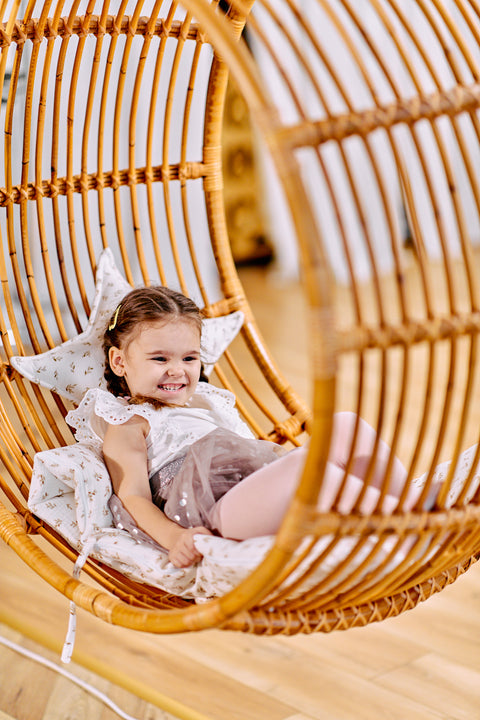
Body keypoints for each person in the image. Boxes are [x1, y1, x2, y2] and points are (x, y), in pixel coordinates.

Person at [66, 286, 429, 569]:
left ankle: (404, 498)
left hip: (257, 489)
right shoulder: (127, 423)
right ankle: (408, 519)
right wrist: (175, 537)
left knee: (346, 425)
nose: (178, 370)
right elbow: (132, 498)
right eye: (160, 358)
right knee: (307, 467)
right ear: (119, 362)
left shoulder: (206, 402)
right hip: (218, 514)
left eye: (190, 358)